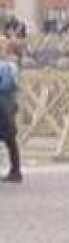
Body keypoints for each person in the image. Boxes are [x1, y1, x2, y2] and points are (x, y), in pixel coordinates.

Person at [0, 44, 21, 182]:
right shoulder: (10, 66)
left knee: (9, 139)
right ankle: (15, 171)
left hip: (4, 106)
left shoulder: (5, 67)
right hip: (8, 105)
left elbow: (7, 85)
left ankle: (15, 171)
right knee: (10, 140)